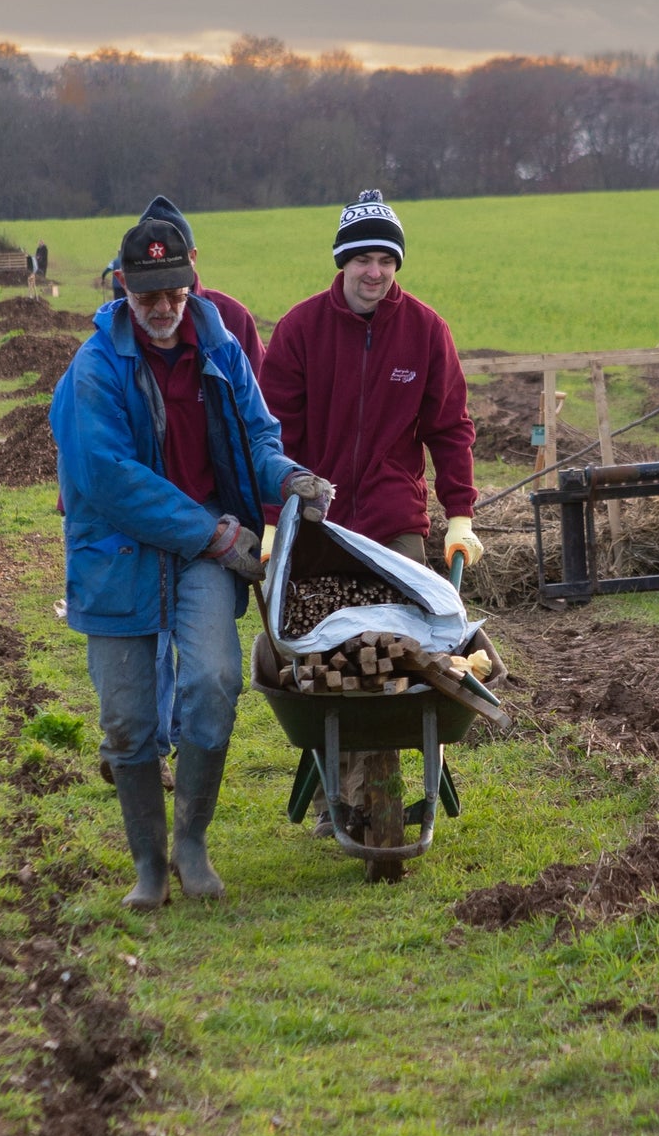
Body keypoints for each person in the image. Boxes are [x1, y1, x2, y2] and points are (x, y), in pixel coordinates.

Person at [50, 217, 331, 908]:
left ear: (190, 280)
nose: (163, 306)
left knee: (212, 681)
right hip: (121, 555)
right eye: (148, 293)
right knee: (126, 718)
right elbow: (109, 479)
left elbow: (257, 433)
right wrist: (212, 536)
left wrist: (287, 475)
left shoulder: (221, 347)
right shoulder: (94, 368)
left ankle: (192, 844)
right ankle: (148, 865)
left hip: (208, 548)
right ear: (123, 286)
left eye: (174, 289)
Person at [258, 189, 483, 836]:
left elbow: (451, 429)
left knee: (404, 644)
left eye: (386, 259)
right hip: (318, 523)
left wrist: (460, 513)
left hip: (392, 523)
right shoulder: (301, 330)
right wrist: (278, 518)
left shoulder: (425, 331)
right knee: (323, 651)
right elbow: (274, 435)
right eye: (362, 258)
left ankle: (361, 790)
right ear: (342, 262)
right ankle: (342, 792)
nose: (375, 272)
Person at [134, 195, 267, 780]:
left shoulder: (230, 321)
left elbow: (256, 419)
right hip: (142, 517)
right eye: (149, 289)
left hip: (213, 508)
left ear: (193, 258)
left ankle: (188, 741)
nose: (163, 303)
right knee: (153, 634)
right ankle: (152, 742)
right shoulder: (121, 327)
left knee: (205, 643)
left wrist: (264, 510)